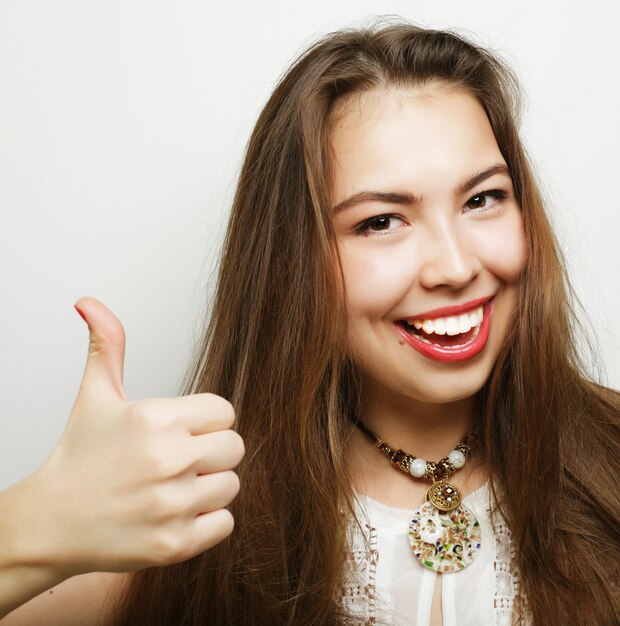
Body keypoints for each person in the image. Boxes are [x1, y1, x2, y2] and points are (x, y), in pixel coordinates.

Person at [1, 20, 619, 626]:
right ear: (294, 260)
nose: (456, 267)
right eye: (381, 221)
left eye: (482, 199)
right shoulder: (178, 512)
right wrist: (36, 525)